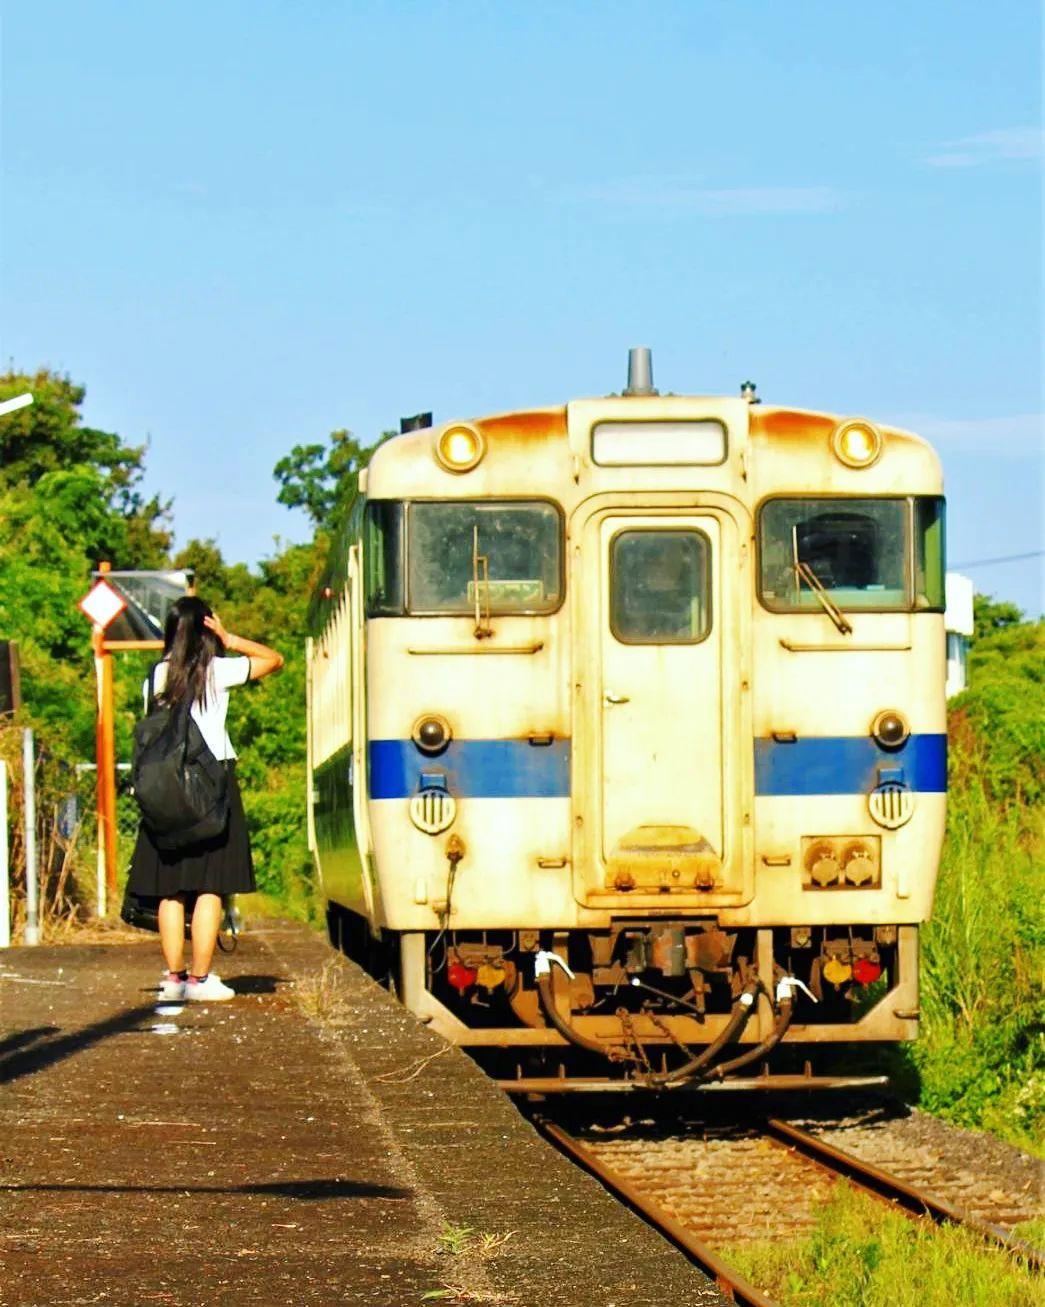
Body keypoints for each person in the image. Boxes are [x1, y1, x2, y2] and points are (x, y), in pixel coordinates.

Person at [126, 597, 283, 1002]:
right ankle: (200, 980)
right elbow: (273, 659)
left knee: (170, 889)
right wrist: (230, 637)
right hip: (213, 788)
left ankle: (174, 979)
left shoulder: (154, 677)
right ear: (206, 629)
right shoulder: (217, 671)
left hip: (165, 792)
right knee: (210, 886)